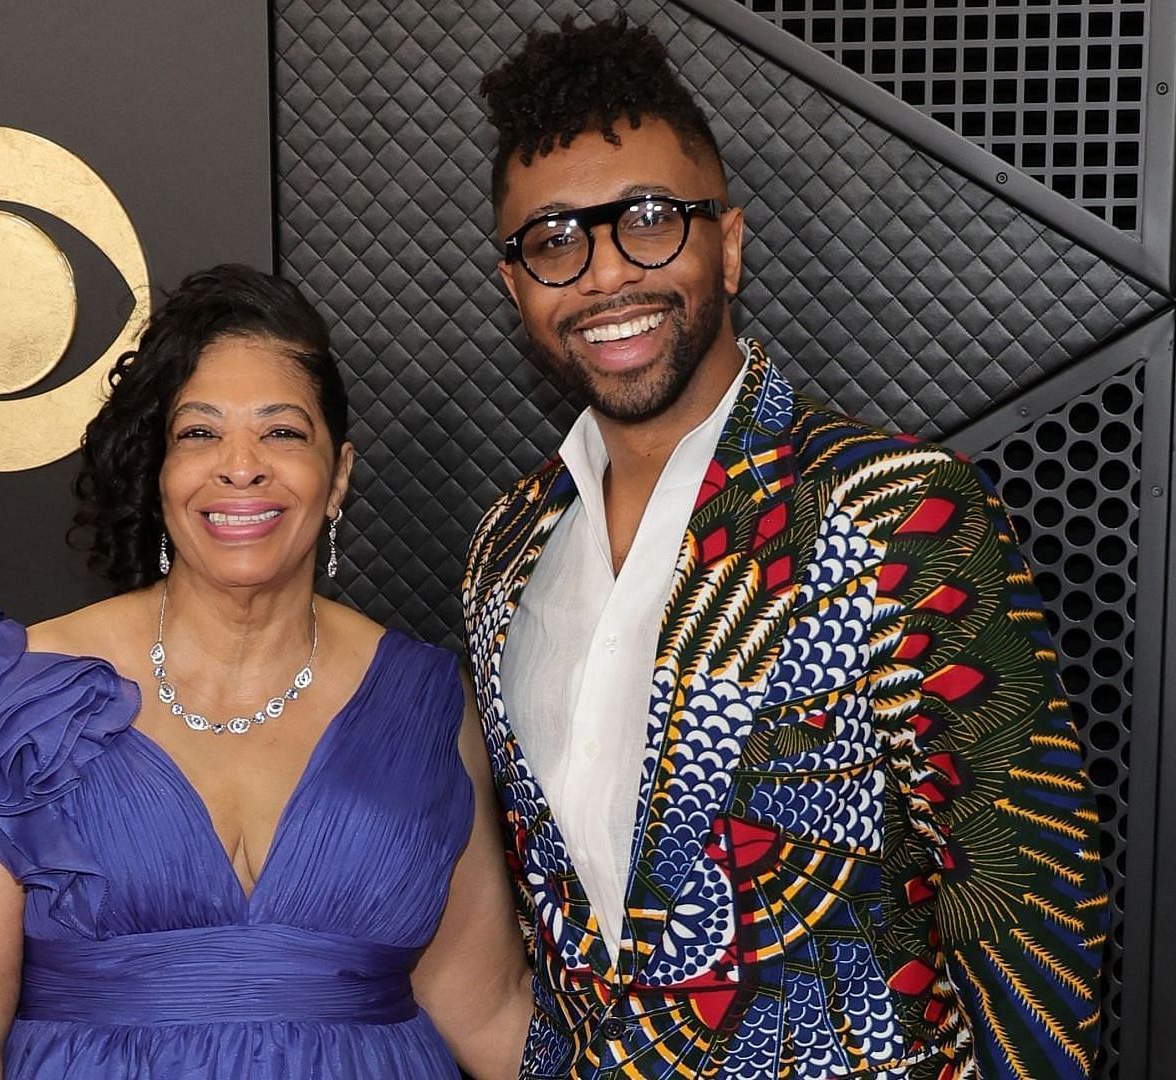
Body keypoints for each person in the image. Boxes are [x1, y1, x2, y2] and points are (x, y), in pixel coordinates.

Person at [460, 18, 1107, 1080]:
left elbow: (1026, 900)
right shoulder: (505, 552)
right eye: (556, 238)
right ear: (517, 286)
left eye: (652, 220)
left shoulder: (893, 510)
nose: (606, 271)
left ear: (730, 241)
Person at [0, 264, 531, 1078]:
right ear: (160, 475)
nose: (241, 466)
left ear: (337, 476)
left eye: (283, 432)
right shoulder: (17, 695)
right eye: (199, 433)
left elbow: (486, 1008)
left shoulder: (425, 705)